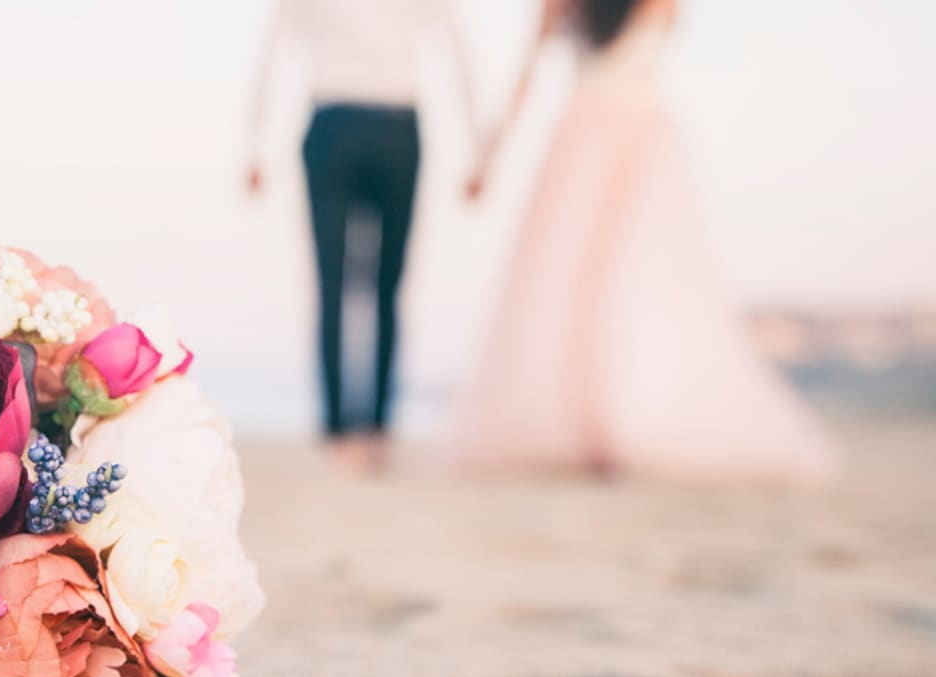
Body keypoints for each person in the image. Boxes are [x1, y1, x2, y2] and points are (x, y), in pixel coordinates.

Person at [452, 0, 837, 484]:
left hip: (585, 136)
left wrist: (489, 157)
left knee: (571, 288)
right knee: (633, 288)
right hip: (639, 134)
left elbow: (524, 79)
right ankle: (609, 421)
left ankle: (592, 423)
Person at [247, 0, 479, 462]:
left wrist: (254, 142)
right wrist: (474, 146)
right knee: (382, 287)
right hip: (392, 125)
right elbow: (457, 48)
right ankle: (372, 428)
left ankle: (341, 430)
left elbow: (271, 47)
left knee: (339, 284)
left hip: (338, 124)